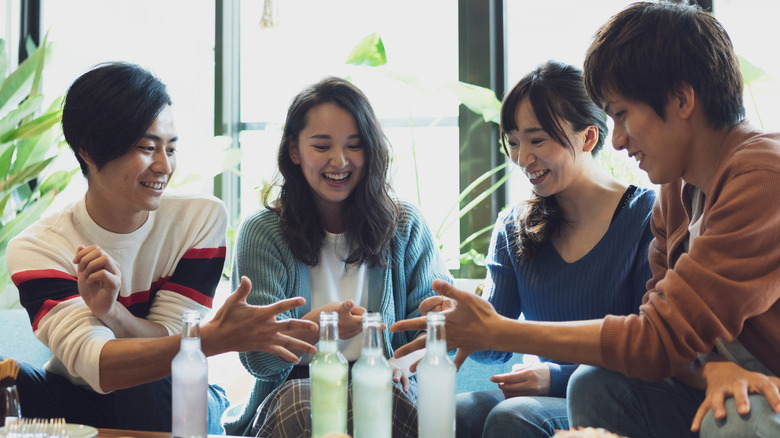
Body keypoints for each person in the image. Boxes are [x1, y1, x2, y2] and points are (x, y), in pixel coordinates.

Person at [391, 2, 780, 437]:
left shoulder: (762, 177)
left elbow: (655, 336)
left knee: (737, 416)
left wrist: (505, 333)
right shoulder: (676, 193)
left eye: (622, 114)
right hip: (718, 383)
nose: (616, 139)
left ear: (682, 99)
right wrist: (714, 371)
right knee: (597, 385)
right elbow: (668, 342)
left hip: (767, 393)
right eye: (514, 143)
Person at [5, 62, 318, 434]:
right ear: (88, 150)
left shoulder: (198, 219)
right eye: (147, 148)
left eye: (170, 148)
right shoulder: (40, 247)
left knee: (160, 366)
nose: (163, 165)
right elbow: (97, 363)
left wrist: (115, 315)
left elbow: (173, 342)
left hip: (180, 391)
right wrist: (217, 337)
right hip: (76, 394)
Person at [222, 76, 454, 437]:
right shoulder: (262, 233)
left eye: (354, 146)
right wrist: (320, 329)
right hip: (291, 394)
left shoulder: (405, 225)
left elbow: (434, 334)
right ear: (295, 151)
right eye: (321, 146)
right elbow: (260, 361)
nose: (339, 161)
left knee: (382, 392)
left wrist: (400, 361)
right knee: (303, 401)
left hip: (390, 380)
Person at [455, 60, 655, 438]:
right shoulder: (514, 226)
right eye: (513, 142)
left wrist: (555, 378)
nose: (522, 158)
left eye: (537, 139)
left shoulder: (648, 216)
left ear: (589, 138)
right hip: (537, 397)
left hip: (616, 404)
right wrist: (468, 323)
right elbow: (491, 347)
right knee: (458, 412)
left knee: (513, 416)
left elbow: (652, 349)